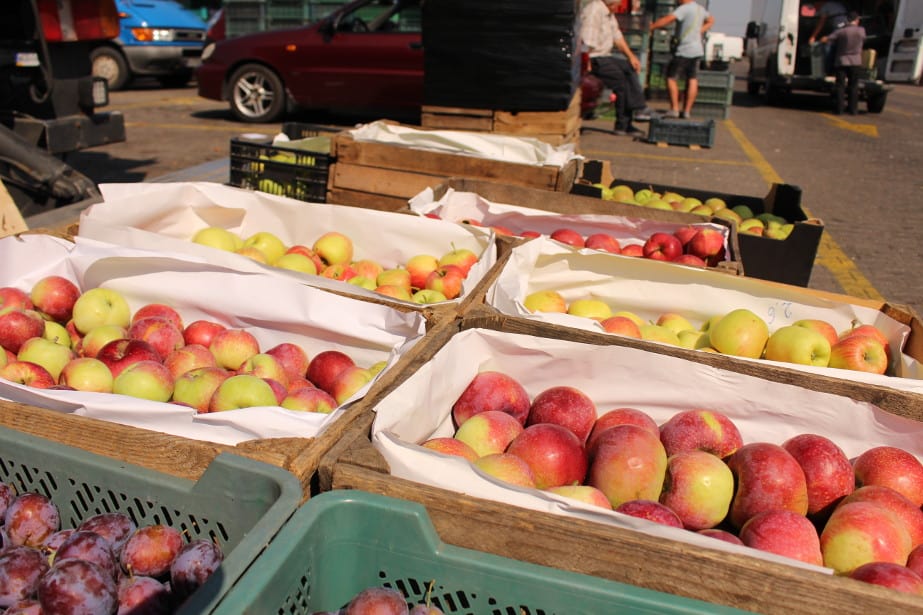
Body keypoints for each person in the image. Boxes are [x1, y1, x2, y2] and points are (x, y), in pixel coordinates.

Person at [579, 0, 652, 136]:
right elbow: (587, 39)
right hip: (594, 58)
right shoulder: (594, 10)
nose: (618, 7)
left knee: (628, 68)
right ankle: (625, 122)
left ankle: (639, 108)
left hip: (605, 56)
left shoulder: (608, 13)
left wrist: (631, 56)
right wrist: (586, 61)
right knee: (621, 82)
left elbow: (617, 37)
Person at [650, 0, 714, 119]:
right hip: (697, 49)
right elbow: (711, 20)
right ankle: (687, 111)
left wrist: (652, 26)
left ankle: (674, 108)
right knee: (692, 78)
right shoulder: (700, 9)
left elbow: (669, 19)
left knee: (671, 78)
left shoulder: (684, 8)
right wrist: (700, 31)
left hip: (684, 50)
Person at [822, 11, 866, 115]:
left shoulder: (841, 31)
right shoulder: (861, 31)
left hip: (842, 61)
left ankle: (839, 109)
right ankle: (853, 110)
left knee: (840, 86)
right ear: (857, 20)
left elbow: (828, 39)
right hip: (855, 62)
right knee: (854, 86)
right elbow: (864, 40)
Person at [808, 0, 849, 73]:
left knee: (827, 47)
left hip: (838, 28)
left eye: (815, 6)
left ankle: (826, 71)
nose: (815, 8)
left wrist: (813, 36)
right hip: (845, 28)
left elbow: (821, 23)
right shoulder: (835, 4)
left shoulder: (825, 7)